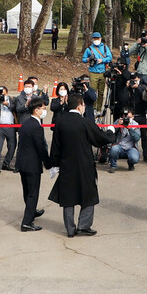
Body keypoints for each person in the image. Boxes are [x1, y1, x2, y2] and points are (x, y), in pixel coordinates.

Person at [47, 95, 117, 237]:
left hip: (66, 165)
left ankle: (70, 229)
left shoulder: (60, 122)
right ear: (79, 106)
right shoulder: (85, 122)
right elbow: (100, 139)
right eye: (84, 105)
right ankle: (84, 226)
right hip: (85, 165)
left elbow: (55, 146)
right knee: (89, 195)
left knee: (68, 198)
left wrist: (54, 163)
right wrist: (111, 131)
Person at [16, 97, 51, 231]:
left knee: (27, 191)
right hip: (32, 165)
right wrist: (48, 163)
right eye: (42, 108)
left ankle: (31, 212)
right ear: (36, 110)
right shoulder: (36, 126)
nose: (44, 111)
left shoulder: (26, 123)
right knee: (32, 193)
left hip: (23, 163)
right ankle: (26, 222)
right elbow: (41, 147)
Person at [82, 32, 112, 113]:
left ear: (100, 39)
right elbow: (83, 59)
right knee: (93, 91)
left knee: (101, 92)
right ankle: (94, 108)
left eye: (97, 38)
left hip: (102, 72)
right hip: (93, 72)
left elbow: (110, 57)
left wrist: (102, 60)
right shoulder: (89, 49)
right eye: (94, 39)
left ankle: (99, 109)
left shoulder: (105, 48)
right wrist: (88, 59)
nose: (96, 40)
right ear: (92, 39)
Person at [107, 109, 141, 173]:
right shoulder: (118, 121)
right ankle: (113, 166)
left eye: (129, 118)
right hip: (119, 146)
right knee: (114, 149)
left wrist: (130, 129)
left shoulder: (135, 124)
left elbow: (137, 138)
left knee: (135, 158)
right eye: (125, 117)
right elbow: (111, 134)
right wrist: (117, 125)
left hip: (131, 148)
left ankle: (131, 164)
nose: (126, 119)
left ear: (133, 117)